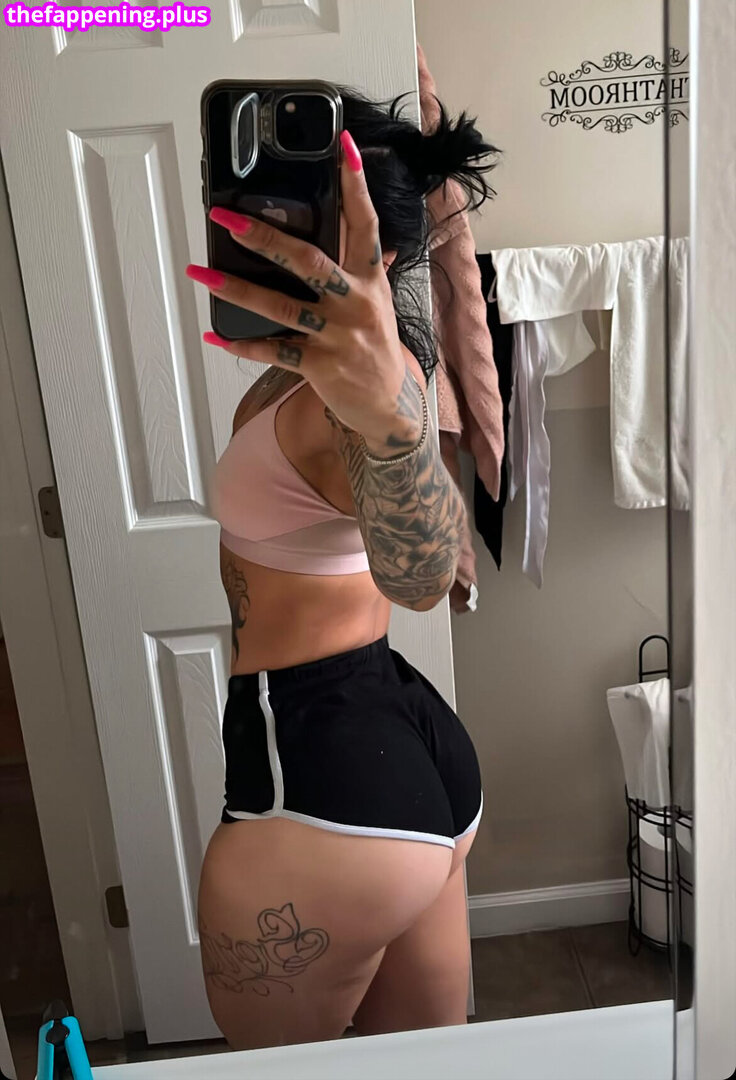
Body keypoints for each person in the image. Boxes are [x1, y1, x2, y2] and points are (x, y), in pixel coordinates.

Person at [185, 88, 498, 1051]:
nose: (269, 234)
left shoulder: (364, 393)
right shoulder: (341, 369)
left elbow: (422, 571)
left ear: (373, 251)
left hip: (318, 783)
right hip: (400, 747)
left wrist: (394, 430)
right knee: (428, 1066)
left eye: (296, 220)